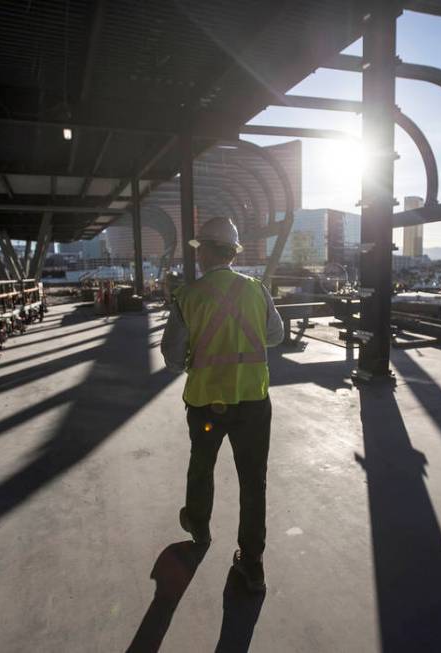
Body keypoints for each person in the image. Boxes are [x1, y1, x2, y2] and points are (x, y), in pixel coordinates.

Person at [160, 217, 284, 593]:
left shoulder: (189, 296)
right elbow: (276, 336)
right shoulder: (256, 289)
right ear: (232, 252)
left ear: (210, 252)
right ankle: (252, 563)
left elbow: (170, 355)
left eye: (200, 251)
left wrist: (196, 358)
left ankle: (198, 527)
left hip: (207, 404)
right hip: (253, 402)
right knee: (253, 481)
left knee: (202, 466)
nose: (197, 258)